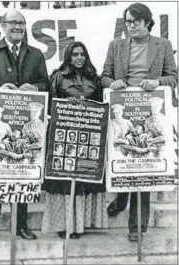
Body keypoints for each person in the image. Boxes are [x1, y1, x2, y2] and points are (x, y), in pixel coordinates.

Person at [100, 3, 178, 242]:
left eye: (135, 21)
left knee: (144, 166)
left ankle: (137, 227)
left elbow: (174, 78)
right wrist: (112, 83)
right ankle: (122, 198)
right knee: (123, 158)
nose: (131, 26)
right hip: (123, 110)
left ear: (147, 22)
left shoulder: (163, 45)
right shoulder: (116, 45)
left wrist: (157, 82)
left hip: (151, 112)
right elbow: (104, 75)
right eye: (127, 22)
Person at [0, 9, 49, 242]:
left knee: (23, 171)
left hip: (24, 125)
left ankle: (21, 225)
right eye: (13, 23)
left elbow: (45, 83)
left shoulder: (35, 54)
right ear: (3, 26)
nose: (18, 27)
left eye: (21, 23)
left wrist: (34, 88)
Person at [42, 41, 107, 239]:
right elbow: (51, 105)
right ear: (68, 57)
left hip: (87, 135)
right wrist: (66, 105)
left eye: (82, 54)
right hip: (64, 134)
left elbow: (100, 104)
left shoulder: (94, 79)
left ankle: (79, 225)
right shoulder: (58, 77)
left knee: (82, 178)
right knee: (62, 179)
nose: (79, 57)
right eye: (75, 54)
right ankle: (63, 225)